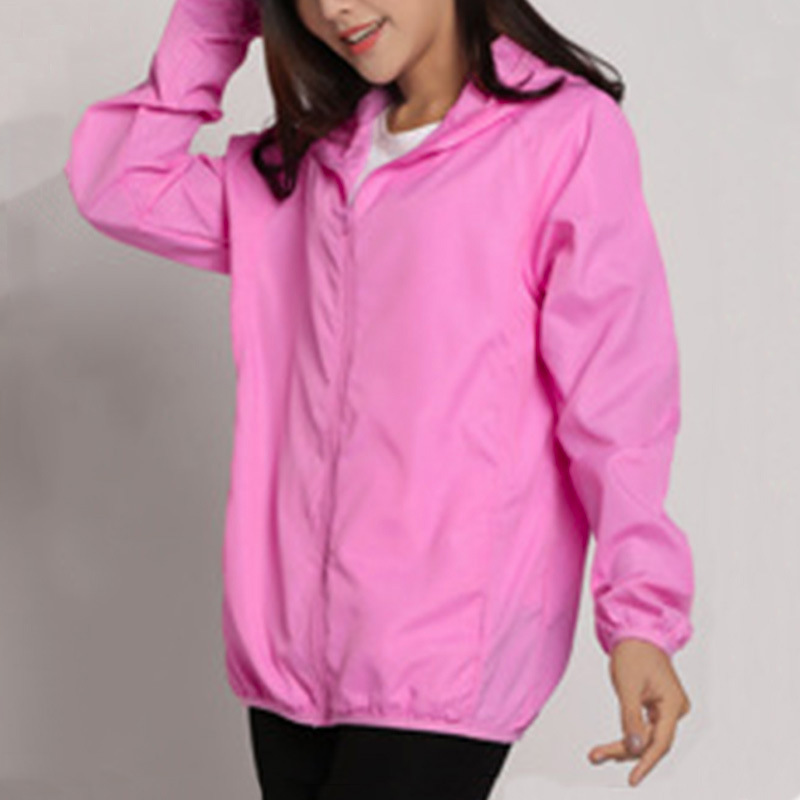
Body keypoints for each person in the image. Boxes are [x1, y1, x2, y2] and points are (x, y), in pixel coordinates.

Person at [63, 0, 695, 795]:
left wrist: (640, 617)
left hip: (444, 657)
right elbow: (122, 182)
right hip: (289, 661)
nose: (333, 9)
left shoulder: (560, 135)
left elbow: (618, 400)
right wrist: (216, 15)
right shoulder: (304, 165)